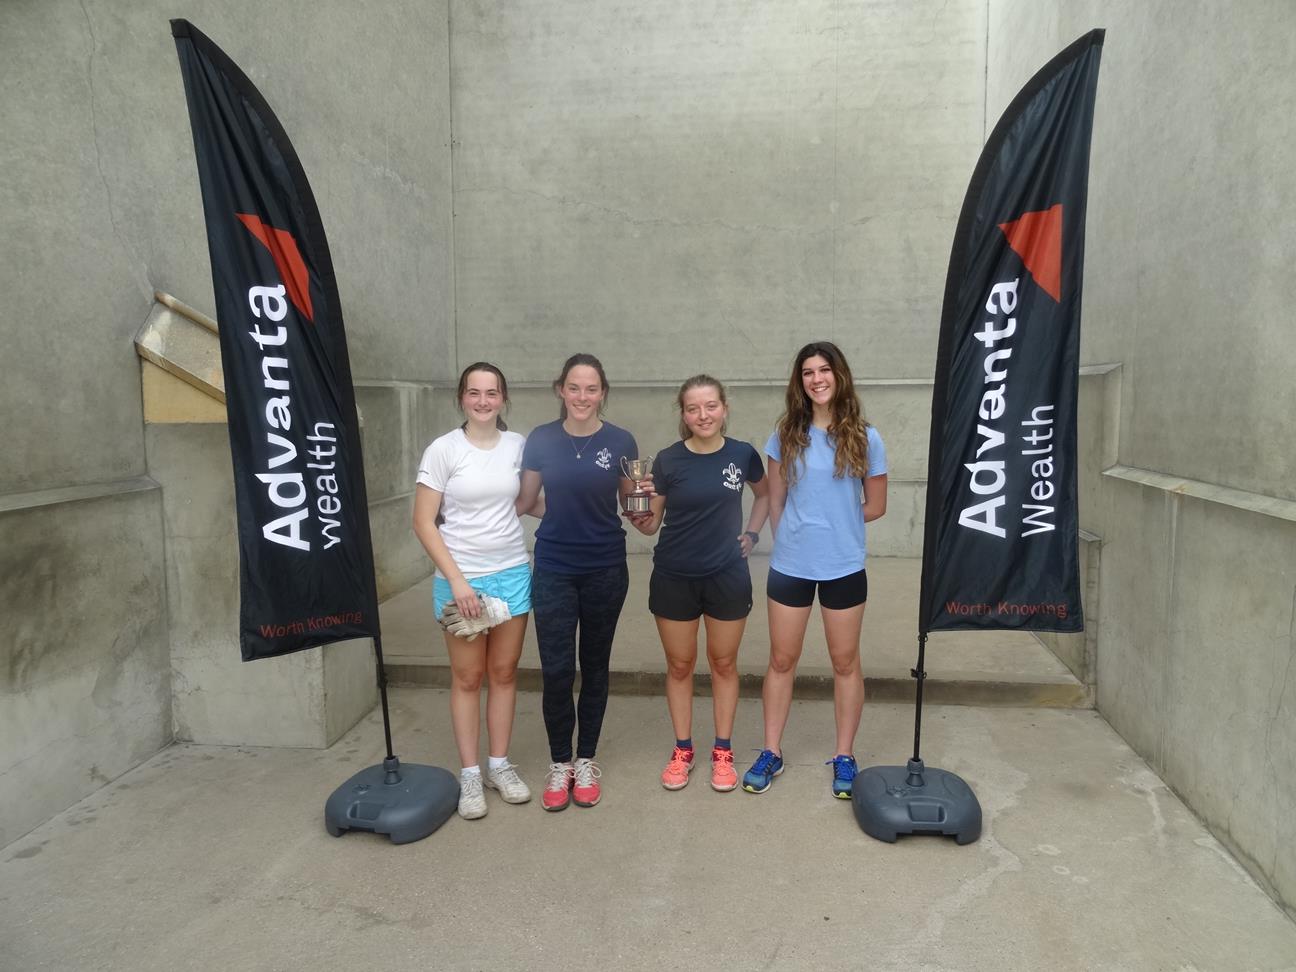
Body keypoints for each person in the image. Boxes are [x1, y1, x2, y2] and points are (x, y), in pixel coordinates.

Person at [742, 342, 888, 799]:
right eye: (807, 372)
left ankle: (844, 755)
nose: (816, 378)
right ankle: (771, 751)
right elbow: (776, 500)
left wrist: (833, 524)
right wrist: (795, 534)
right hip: (791, 565)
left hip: (844, 565)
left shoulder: (866, 436)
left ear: (839, 376)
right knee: (782, 660)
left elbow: (877, 505)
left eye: (824, 370)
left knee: (845, 663)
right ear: (799, 381)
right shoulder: (785, 434)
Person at [628, 375, 769, 792]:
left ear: (724, 408)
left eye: (710, 406)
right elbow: (651, 525)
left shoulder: (743, 454)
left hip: (727, 575)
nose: (702, 415)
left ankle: (723, 750)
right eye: (693, 408)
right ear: (684, 414)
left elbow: (764, 494)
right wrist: (639, 517)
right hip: (674, 576)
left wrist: (754, 533)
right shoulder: (669, 460)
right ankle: (683, 749)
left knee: (723, 664)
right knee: (680, 665)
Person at [516, 353, 638, 811]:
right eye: (574, 387)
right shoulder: (542, 439)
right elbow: (527, 501)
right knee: (556, 670)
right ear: (560, 390)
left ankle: (586, 759)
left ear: (602, 392)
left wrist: (653, 512)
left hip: (606, 567)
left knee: (596, 666)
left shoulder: (622, 440)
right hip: (554, 569)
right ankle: (560, 762)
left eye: (591, 388)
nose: (582, 396)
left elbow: (631, 503)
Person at [412, 362, 534, 820]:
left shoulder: (519, 446)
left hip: (512, 574)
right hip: (460, 580)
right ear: (461, 397)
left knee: (504, 673)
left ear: (503, 399)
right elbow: (423, 521)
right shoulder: (443, 450)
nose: (483, 401)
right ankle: (469, 774)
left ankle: (499, 766)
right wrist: (459, 581)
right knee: (468, 677)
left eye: (492, 393)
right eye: (474, 393)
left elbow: (530, 501)